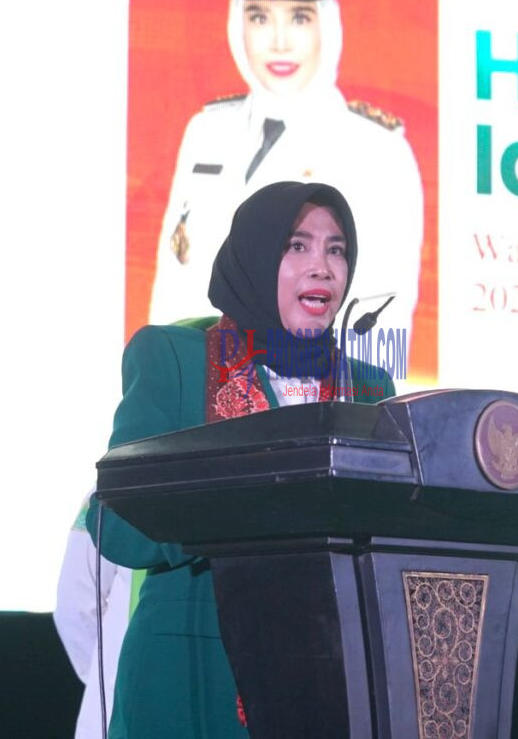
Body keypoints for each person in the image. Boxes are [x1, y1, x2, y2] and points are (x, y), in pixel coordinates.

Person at [88, 181, 394, 738]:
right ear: (254, 254)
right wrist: (250, 503)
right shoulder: (175, 359)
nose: (321, 267)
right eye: (297, 246)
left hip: (328, 681)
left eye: (337, 249)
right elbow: (116, 528)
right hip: (191, 680)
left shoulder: (369, 386)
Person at [147, 0, 423, 367]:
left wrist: (347, 403)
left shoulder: (378, 150)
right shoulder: (206, 131)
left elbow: (379, 321)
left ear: (327, 24)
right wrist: (163, 376)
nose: (279, 41)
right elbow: (172, 280)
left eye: (299, 18)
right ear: (237, 23)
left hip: (307, 393)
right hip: (194, 384)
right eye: (260, 17)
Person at [53, 489, 133, 739]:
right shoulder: (107, 493)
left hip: (117, 697)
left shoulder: (111, 488)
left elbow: (74, 608)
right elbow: (75, 609)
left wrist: (107, 678)